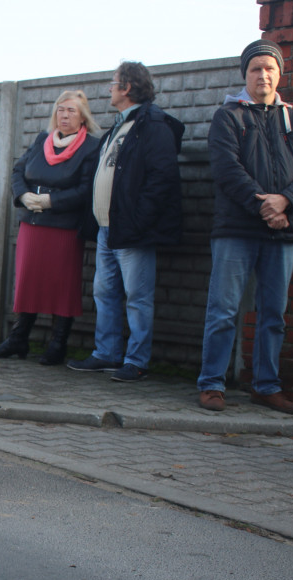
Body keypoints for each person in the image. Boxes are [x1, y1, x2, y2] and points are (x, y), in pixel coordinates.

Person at [197, 40, 293, 414]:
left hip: (282, 231)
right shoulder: (228, 116)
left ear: (279, 74)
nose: (263, 74)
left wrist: (285, 201)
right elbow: (226, 169)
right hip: (236, 230)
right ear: (245, 75)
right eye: (255, 69)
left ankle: (266, 386)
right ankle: (212, 384)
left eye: (269, 68)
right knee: (223, 310)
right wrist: (265, 204)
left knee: (273, 315)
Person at [67, 61, 184, 382]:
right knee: (104, 293)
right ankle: (106, 354)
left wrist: (138, 220)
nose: (109, 88)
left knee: (137, 297)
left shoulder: (153, 125)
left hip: (132, 230)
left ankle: (136, 360)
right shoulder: (118, 126)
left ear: (127, 88)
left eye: (113, 82)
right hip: (107, 229)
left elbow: (162, 179)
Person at [0, 90, 102, 365]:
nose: (64, 115)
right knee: (28, 281)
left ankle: (58, 343)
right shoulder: (42, 140)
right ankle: (19, 338)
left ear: (82, 116)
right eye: (61, 109)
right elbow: (18, 171)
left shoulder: (91, 147)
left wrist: (52, 200)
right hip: (33, 223)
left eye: (71, 110)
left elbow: (87, 189)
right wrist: (23, 196)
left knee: (62, 285)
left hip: (63, 227)